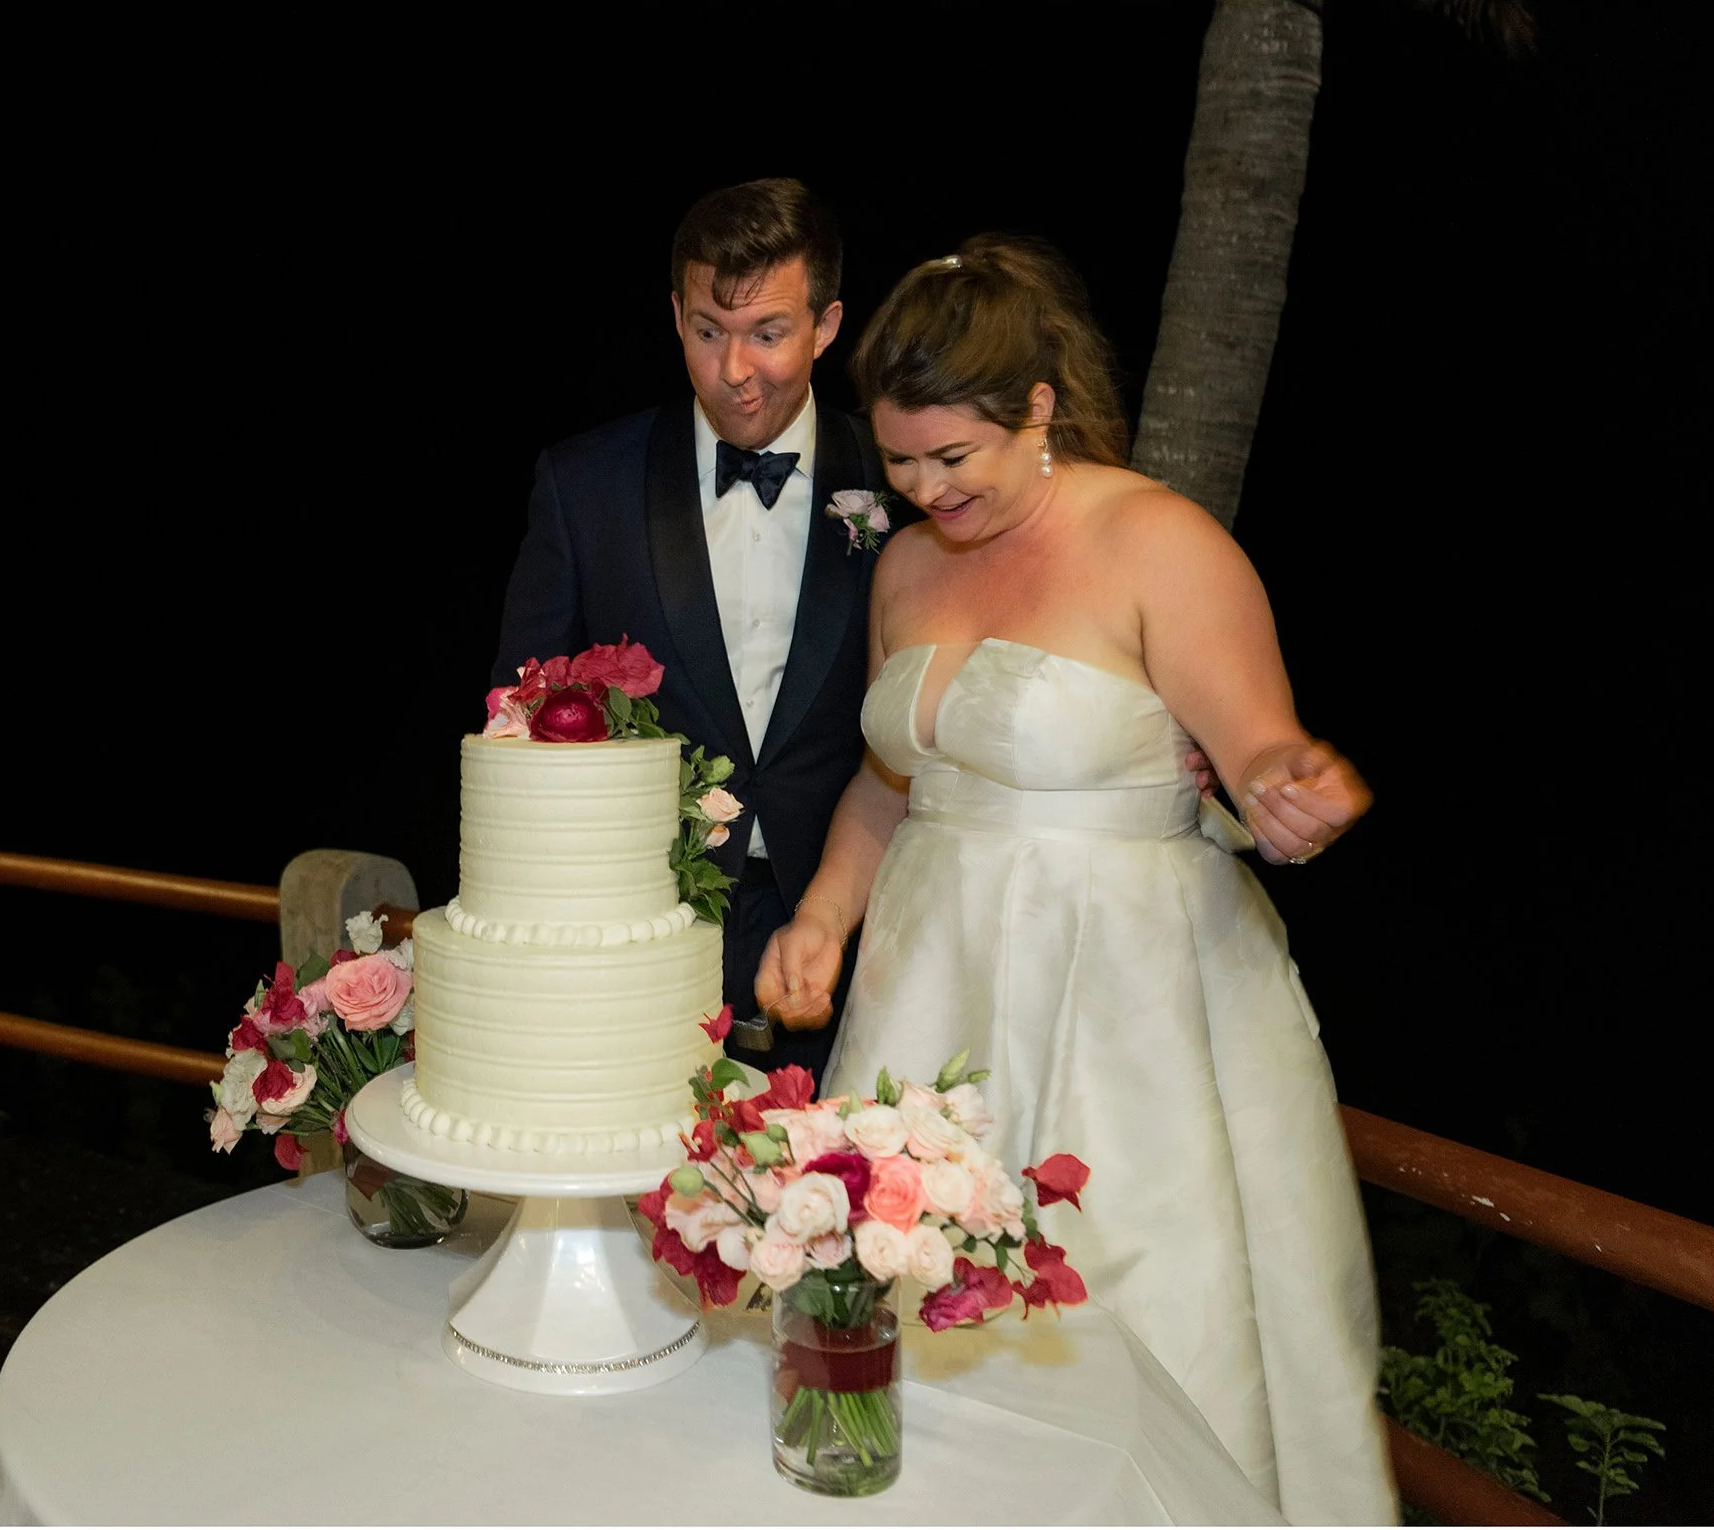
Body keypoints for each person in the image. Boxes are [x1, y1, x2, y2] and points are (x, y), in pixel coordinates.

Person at [753, 235, 1399, 1524]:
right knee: (911, 1292)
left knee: (1129, 1310)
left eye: (956, 457)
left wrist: (1291, 785)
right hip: (926, 994)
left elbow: (1258, 750)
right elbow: (895, 778)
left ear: (1036, 407)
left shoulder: (1159, 541)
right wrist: (823, 913)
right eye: (898, 459)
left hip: (1126, 1006)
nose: (929, 489)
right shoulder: (904, 567)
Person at [486, 178, 886, 1082]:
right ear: (674, 314)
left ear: (826, 327)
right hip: (640, 933)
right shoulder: (584, 486)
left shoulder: (899, 484)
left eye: (768, 334)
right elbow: (516, 719)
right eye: (709, 330)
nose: (733, 369)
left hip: (853, 930)